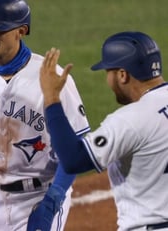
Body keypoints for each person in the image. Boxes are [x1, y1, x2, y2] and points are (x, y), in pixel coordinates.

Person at [0, 0, 90, 230]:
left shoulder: (51, 76)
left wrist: (54, 198)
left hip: (43, 194)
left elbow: (78, 143)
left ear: (21, 31)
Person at [40, 31, 168, 230]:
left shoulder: (130, 119)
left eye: (108, 72)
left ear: (122, 75)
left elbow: (74, 159)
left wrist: (52, 98)